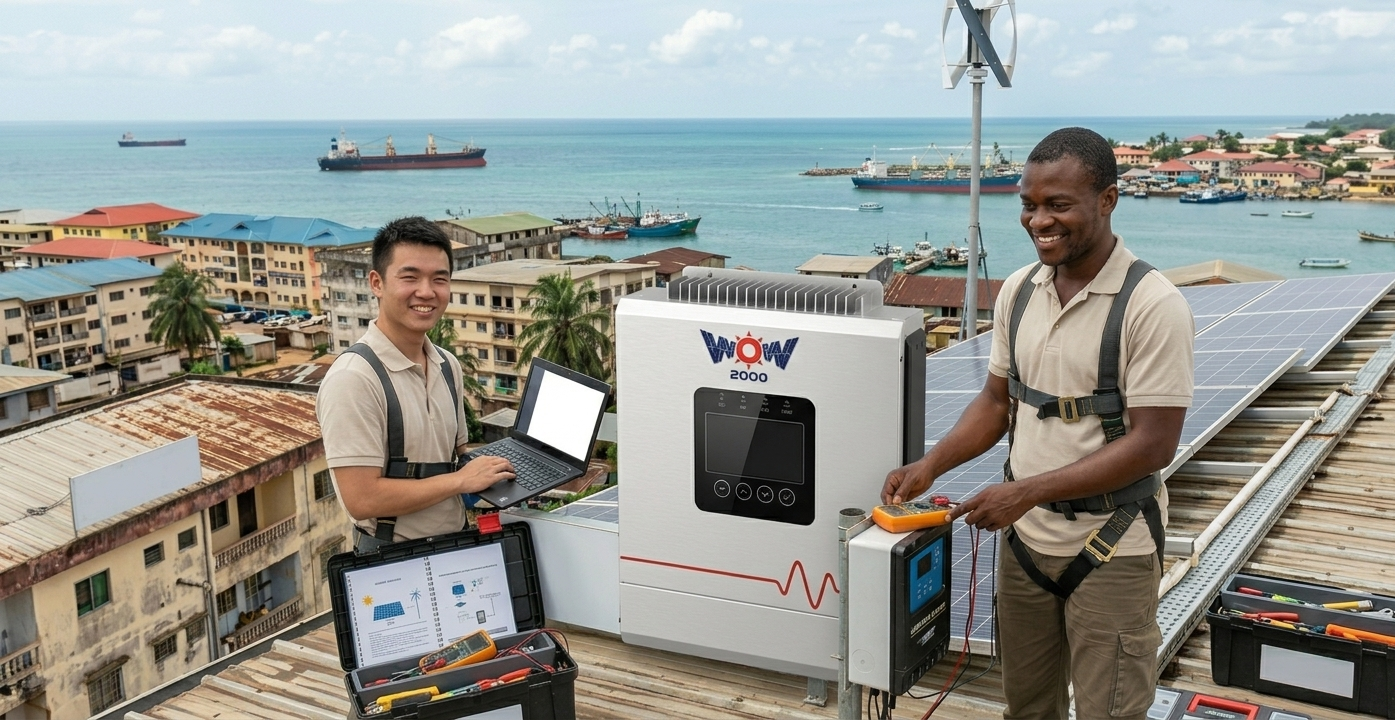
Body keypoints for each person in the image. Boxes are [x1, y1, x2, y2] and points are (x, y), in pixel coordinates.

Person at [882, 128, 1194, 719]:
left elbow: (1154, 444)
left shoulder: (1152, 305)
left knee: (1109, 712)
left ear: (1107, 200)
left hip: (1113, 547)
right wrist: (929, 466)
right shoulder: (1020, 292)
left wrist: (1025, 492)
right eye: (1029, 204)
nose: (1038, 220)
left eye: (1058, 205)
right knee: (1026, 708)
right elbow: (997, 403)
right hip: (1026, 547)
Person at [317, 216, 516, 552]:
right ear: (377, 283)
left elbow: (454, 458)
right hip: (391, 560)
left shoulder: (446, 364)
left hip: (455, 545)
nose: (426, 292)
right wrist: (461, 481)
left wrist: (505, 468)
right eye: (410, 277)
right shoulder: (354, 379)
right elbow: (362, 499)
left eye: (439, 279)